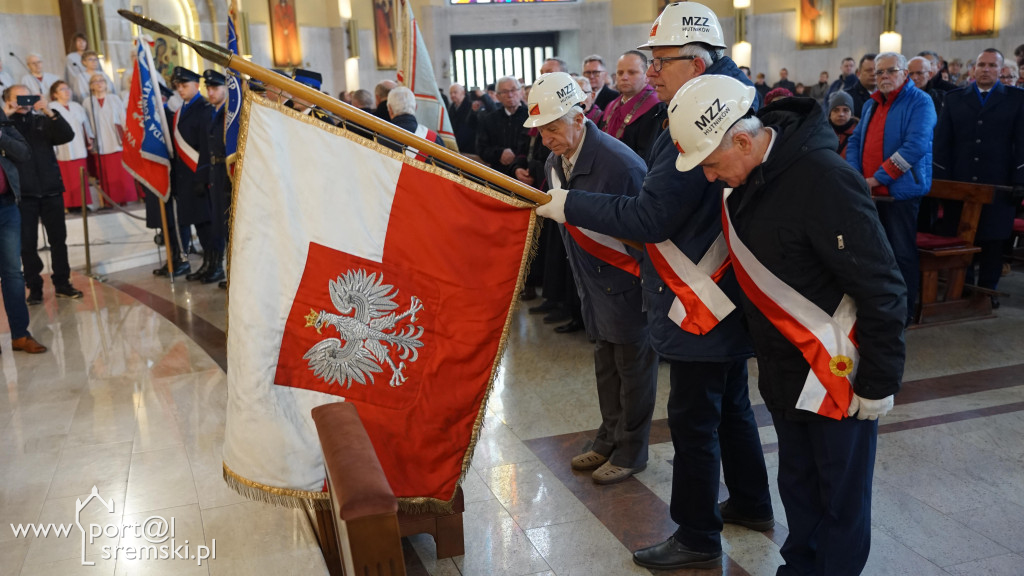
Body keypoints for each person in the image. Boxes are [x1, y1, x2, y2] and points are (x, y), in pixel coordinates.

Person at [537, 2, 773, 569]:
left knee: (695, 419)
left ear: (695, 63)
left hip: (701, 295)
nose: (652, 72)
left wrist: (565, 204)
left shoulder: (700, 113)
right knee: (732, 405)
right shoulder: (725, 98)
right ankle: (750, 500)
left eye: (660, 61)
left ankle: (695, 537)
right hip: (724, 290)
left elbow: (649, 218)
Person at [670, 72, 906, 576]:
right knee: (797, 485)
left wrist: (880, 380)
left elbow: (882, 284)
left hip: (837, 373)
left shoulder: (825, 178)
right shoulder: (747, 178)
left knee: (839, 496)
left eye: (711, 165)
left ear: (742, 139)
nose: (709, 177)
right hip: (783, 370)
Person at [525, 71, 658, 484]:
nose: (546, 140)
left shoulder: (620, 164)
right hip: (592, 285)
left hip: (629, 284)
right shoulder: (554, 162)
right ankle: (608, 438)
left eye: (552, 129)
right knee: (606, 365)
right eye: (540, 132)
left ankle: (632, 450)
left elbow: (647, 232)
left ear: (579, 120)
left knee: (633, 369)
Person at [846, 51, 936, 325]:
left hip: (900, 194)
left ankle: (904, 310)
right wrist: (856, 174)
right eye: (879, 72)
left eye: (890, 71)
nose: (883, 77)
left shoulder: (920, 101)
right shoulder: (872, 105)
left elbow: (915, 146)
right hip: (870, 192)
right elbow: (855, 142)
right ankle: (880, 306)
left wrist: (879, 178)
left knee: (901, 252)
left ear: (904, 74)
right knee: (874, 254)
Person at [933, 48, 1024, 309]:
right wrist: (942, 182)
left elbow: (1022, 142)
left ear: (1000, 70)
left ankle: (987, 290)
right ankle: (961, 286)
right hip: (960, 182)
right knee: (962, 237)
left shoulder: (1016, 100)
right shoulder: (955, 99)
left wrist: (1021, 178)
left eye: (991, 66)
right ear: (973, 70)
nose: (985, 69)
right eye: (981, 65)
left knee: (993, 240)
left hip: (999, 183)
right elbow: (942, 143)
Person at [2, 85, 83, 304]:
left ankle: (63, 284)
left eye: (28, 96)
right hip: (23, 194)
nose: (24, 101)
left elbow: (67, 135)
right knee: (27, 244)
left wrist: (48, 110)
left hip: (51, 190)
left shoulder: (42, 120)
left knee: (59, 240)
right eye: (19, 98)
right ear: (8, 101)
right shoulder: (6, 125)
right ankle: (34, 288)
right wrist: (5, 115)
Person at [0, 107, 48, 353]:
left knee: (12, 274)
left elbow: (23, 152)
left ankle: (20, 334)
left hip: (6, 205)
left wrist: (0, 136)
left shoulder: (1, 118)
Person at [600, 50, 666, 161]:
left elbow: (648, 154)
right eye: (620, 73)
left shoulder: (656, 107)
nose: (624, 77)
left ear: (646, 76)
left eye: (632, 72)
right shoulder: (611, 106)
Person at [84, 73, 135, 205]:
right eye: (95, 81)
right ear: (91, 86)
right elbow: (87, 122)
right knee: (105, 174)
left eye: (101, 80)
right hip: (99, 142)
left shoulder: (114, 98)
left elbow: (123, 118)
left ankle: (124, 199)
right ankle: (108, 201)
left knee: (120, 173)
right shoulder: (88, 101)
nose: (99, 83)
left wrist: (126, 138)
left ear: (106, 84)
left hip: (115, 140)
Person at [48, 80, 93, 211]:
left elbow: (85, 125)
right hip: (62, 148)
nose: (67, 91)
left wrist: (88, 140)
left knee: (81, 177)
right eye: (62, 89)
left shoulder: (77, 106)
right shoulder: (51, 107)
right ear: (55, 94)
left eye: (68, 88)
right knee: (66, 178)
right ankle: (70, 205)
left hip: (78, 145)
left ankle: (83, 203)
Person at [476, 76, 528, 178]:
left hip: (525, 174)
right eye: (504, 92)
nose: (510, 95)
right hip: (499, 175)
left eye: (513, 90)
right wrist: (499, 154)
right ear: (498, 96)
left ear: (521, 92)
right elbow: (481, 148)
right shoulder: (489, 119)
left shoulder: (531, 117)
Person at [827, 90, 858, 157]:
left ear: (851, 114)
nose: (841, 114)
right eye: (836, 110)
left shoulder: (859, 134)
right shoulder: (821, 134)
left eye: (845, 110)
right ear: (830, 114)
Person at [447, 83, 477, 154]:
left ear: (463, 92)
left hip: (469, 147)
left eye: (455, 92)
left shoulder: (471, 106)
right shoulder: (451, 107)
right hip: (456, 145)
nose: (452, 95)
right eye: (451, 93)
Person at [845, 53, 876, 118]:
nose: (873, 73)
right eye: (869, 70)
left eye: (877, 70)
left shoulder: (886, 95)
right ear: (858, 74)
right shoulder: (848, 97)